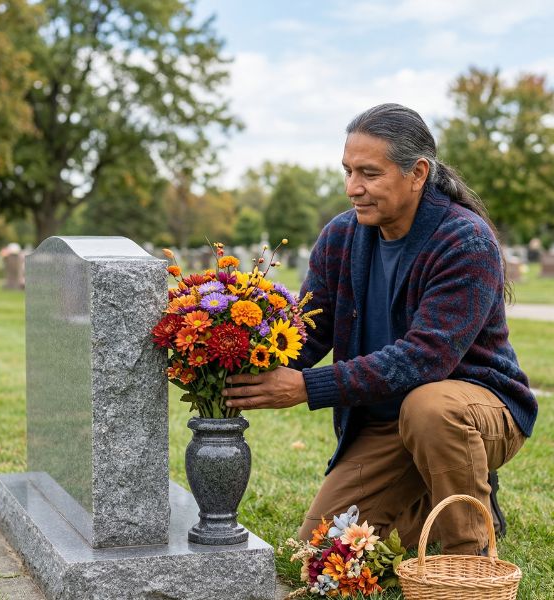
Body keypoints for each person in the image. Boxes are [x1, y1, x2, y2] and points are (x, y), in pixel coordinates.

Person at [222, 103, 538, 555]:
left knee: (430, 408)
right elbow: (310, 330)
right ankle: (427, 494)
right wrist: (241, 361)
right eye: (348, 171)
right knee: (317, 550)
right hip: (385, 421)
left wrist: (307, 387)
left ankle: (468, 559)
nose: (353, 188)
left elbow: (426, 358)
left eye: (369, 173)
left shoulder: (464, 240)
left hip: (472, 407)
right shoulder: (340, 236)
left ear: (418, 173)